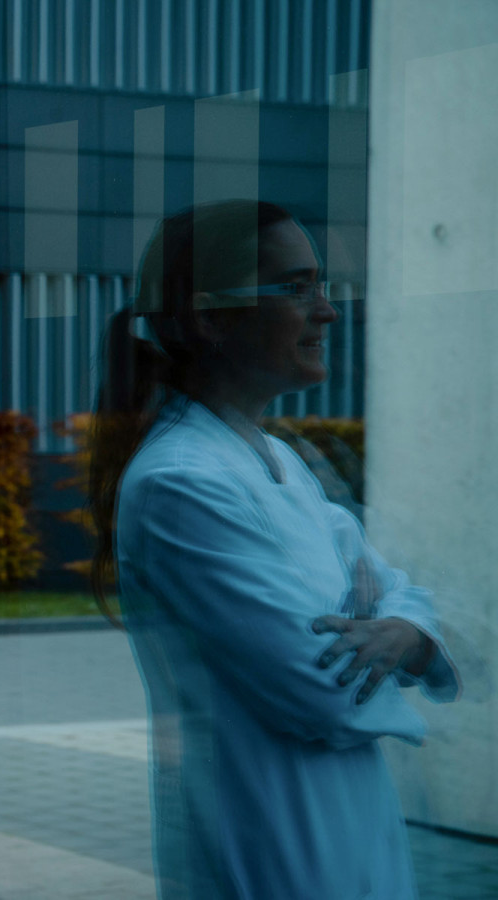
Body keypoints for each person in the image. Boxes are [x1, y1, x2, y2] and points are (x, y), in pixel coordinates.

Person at [93, 200, 460, 898]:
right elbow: (325, 690)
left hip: (353, 826)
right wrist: (403, 632)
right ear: (210, 318)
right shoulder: (181, 485)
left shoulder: (279, 458)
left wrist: (405, 630)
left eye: (320, 287)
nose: (326, 312)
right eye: (296, 289)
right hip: (268, 841)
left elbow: (400, 591)